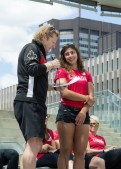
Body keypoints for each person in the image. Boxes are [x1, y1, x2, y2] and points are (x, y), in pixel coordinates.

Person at [13, 24, 60, 169]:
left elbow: (33, 79)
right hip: (29, 102)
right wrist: (51, 64)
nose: (52, 46)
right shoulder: (32, 48)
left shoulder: (39, 53)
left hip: (34, 103)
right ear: (45, 37)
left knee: (34, 143)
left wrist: (52, 87)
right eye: (52, 42)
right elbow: (32, 69)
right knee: (34, 143)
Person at [54, 44, 95, 169]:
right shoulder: (61, 71)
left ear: (77, 54)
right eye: (67, 54)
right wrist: (84, 98)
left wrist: (83, 111)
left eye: (72, 52)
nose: (70, 56)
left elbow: (92, 98)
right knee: (65, 152)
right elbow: (64, 92)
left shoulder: (86, 74)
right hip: (66, 111)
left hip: (83, 113)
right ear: (64, 57)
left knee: (80, 154)